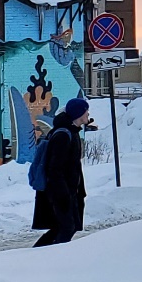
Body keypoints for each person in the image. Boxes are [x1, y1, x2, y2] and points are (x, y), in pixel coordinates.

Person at [32, 97, 90, 247]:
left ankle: (37, 255)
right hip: (59, 192)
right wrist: (63, 194)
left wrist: (79, 190)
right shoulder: (63, 135)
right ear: (78, 114)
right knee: (66, 227)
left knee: (63, 227)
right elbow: (54, 169)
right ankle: (43, 257)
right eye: (85, 111)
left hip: (69, 191)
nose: (88, 114)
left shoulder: (72, 132)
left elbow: (74, 166)